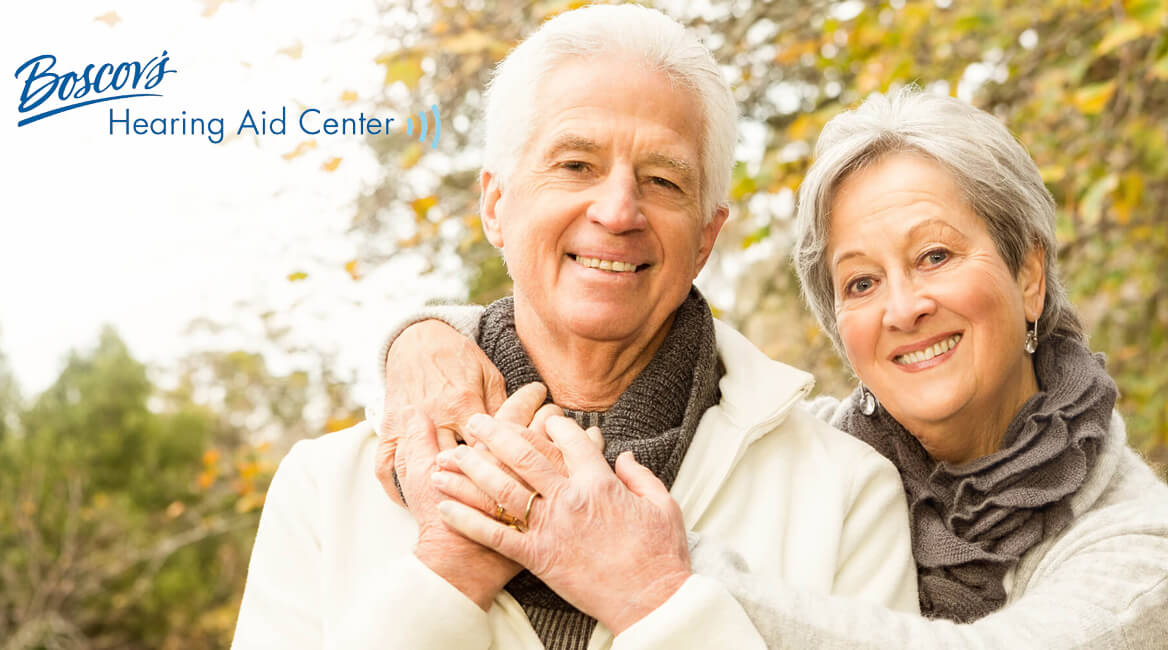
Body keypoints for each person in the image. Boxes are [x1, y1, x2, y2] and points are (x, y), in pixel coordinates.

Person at [232, 5, 918, 650]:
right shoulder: (326, 485)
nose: (619, 209)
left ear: (706, 239)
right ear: (496, 206)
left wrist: (654, 600)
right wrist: (444, 577)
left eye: (663, 179)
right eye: (575, 165)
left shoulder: (844, 493)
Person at [381, 87, 1168, 647]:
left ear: (1028, 275)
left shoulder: (1139, 550)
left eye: (934, 256)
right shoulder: (817, 456)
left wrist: (658, 581)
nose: (903, 308)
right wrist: (428, 337)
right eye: (860, 282)